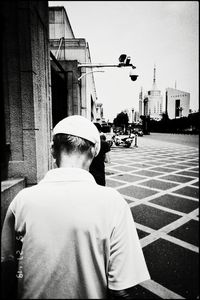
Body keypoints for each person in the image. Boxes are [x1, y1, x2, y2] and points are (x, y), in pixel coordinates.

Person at [1, 115, 150, 299]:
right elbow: (121, 289)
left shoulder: (22, 200)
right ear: (94, 151)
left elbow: (8, 265)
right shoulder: (113, 203)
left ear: (52, 150)